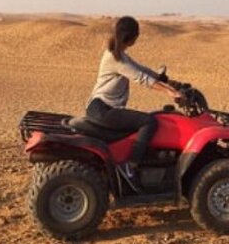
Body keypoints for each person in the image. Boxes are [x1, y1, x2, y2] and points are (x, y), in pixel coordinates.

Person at [68, 16, 181, 190]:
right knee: (149, 121)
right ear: (131, 37)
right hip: (103, 110)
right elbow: (141, 78)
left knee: (148, 119)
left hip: (101, 108)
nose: (138, 37)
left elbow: (140, 69)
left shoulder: (118, 53)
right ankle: (131, 165)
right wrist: (169, 92)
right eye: (137, 35)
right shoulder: (116, 59)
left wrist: (165, 80)